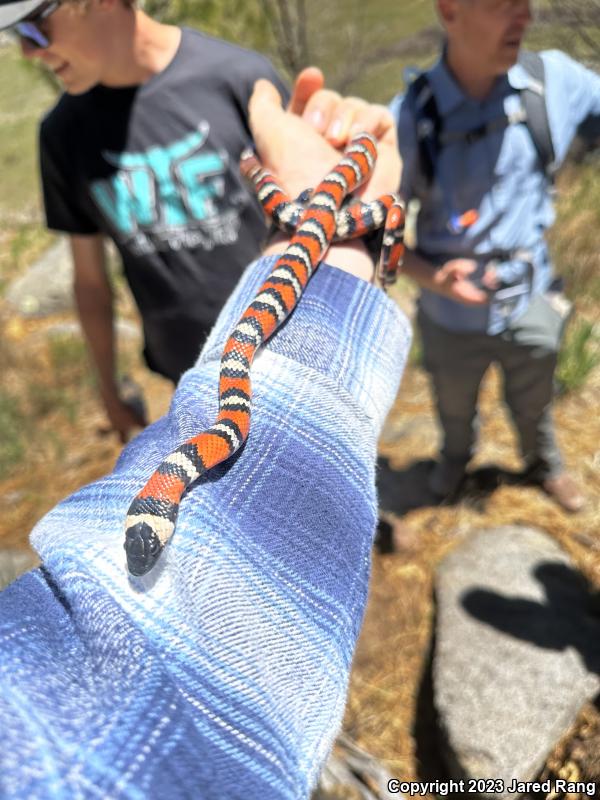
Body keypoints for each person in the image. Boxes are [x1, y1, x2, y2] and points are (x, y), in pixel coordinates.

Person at [0, 76, 412, 798]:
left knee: (352, 211)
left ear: (156, 509)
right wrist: (348, 230)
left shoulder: (216, 437)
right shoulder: (215, 436)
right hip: (312, 238)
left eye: (149, 527)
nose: (149, 547)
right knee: (361, 211)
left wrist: (318, 213)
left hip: (309, 233)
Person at [0, 0, 292, 443]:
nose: (27, 52)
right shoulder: (62, 135)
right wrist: (108, 388)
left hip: (294, 351)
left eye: (35, 29)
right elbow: (91, 282)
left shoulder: (239, 80)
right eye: (13, 36)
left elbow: (311, 217)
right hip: (192, 378)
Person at [390, 0, 600, 512]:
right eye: (502, 4)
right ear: (450, 11)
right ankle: (454, 463)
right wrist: (434, 279)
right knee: (454, 407)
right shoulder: (409, 117)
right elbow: (377, 237)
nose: (523, 16)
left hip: (531, 298)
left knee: (535, 400)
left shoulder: (554, 83)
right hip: (448, 311)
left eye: (525, 3)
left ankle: (543, 463)